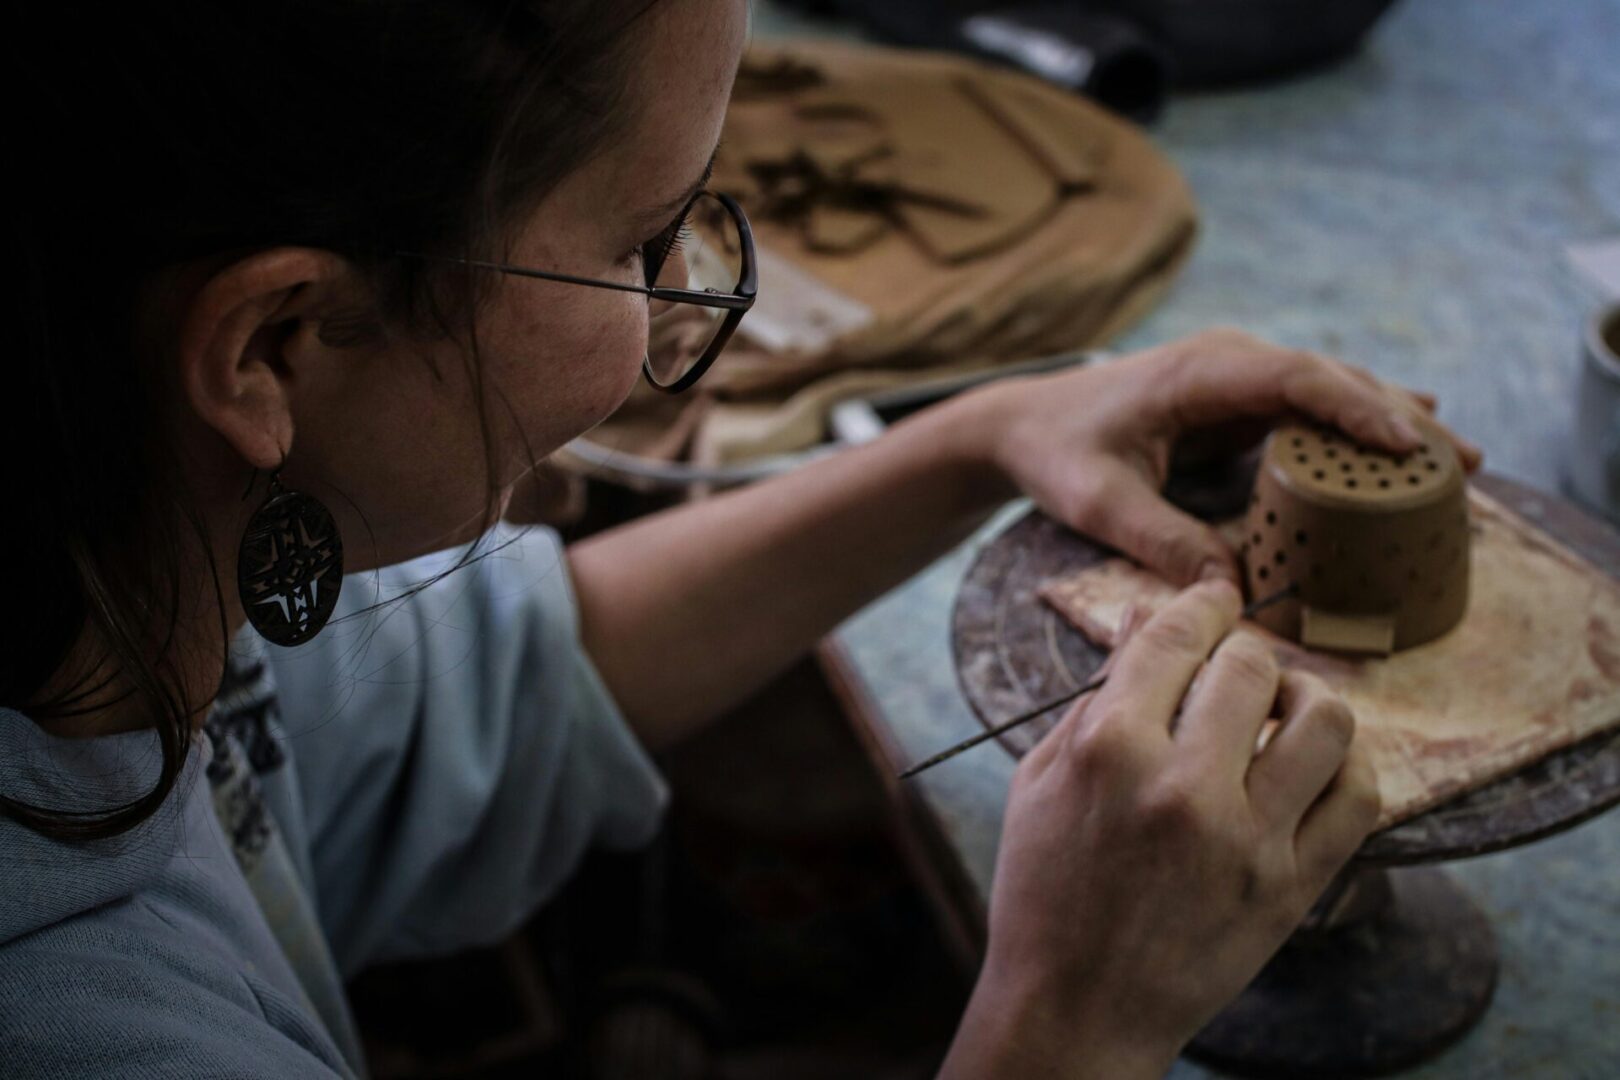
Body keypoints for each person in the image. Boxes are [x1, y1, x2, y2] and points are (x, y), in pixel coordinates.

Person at [0, 2, 1483, 1077]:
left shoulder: (117, 563)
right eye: (640, 243)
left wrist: (984, 435)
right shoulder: (76, 1021)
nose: (674, 302)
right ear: (273, 346)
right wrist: (1070, 1019)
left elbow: (504, 685)